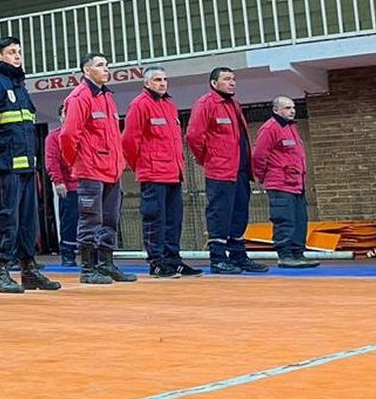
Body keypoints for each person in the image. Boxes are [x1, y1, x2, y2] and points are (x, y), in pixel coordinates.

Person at [0, 36, 61, 294]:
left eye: (19, 51)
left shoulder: (19, 86)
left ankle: (29, 270)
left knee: (28, 221)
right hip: (1, 166)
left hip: (25, 167)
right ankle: (0, 273)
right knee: (5, 219)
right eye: (11, 52)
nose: (17, 56)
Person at [59, 53, 135, 285]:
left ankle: (106, 264)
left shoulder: (107, 97)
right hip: (91, 169)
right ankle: (88, 268)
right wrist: (79, 161)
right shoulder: (79, 97)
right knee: (91, 220)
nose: (106, 69)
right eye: (100, 65)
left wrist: (119, 161)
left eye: (107, 65)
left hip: (112, 169)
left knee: (110, 219)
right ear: (86, 70)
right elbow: (68, 135)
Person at [186, 67, 269, 275]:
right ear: (214, 83)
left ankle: (239, 256)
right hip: (220, 171)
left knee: (240, 213)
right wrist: (208, 158)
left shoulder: (234, 105)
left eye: (233, 79)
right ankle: (218, 259)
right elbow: (194, 136)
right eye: (226, 79)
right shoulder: (206, 104)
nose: (232, 83)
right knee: (220, 214)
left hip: (240, 170)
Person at [121, 67, 200, 278]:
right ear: (146, 83)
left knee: (174, 220)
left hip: (174, 174)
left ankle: (173, 260)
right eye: (157, 80)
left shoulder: (169, 105)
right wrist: (141, 166)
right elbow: (129, 141)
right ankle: (157, 263)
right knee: (155, 219)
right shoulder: (139, 105)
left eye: (165, 79)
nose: (162, 83)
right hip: (153, 173)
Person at [253, 96, 320, 269]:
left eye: (293, 107)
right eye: (287, 108)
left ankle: (298, 253)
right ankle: (285, 255)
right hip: (280, 184)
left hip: (296, 184)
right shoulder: (270, 129)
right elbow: (259, 156)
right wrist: (263, 177)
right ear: (276, 110)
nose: (292, 110)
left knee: (300, 220)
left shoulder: (291, 128)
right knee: (285, 220)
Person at [42, 125, 78, 266]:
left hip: (88, 183)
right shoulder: (54, 137)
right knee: (69, 222)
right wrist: (58, 181)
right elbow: (52, 160)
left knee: (91, 222)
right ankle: (68, 254)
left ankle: (93, 255)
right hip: (68, 187)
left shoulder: (83, 131)